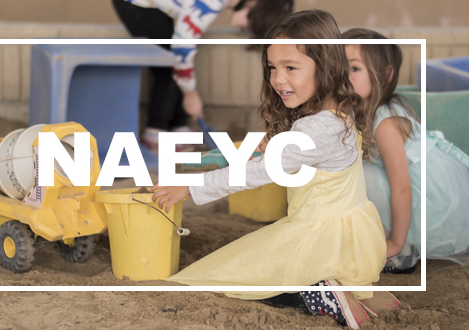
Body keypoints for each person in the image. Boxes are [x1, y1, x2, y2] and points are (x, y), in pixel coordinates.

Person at [152, 10, 390, 329]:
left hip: (318, 238)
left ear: (328, 66)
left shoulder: (312, 132)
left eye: (291, 68)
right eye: (273, 68)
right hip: (349, 235)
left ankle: (321, 294)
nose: (278, 79)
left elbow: (254, 174)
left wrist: (189, 188)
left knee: (215, 277)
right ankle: (349, 289)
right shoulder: (339, 112)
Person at [343, 28, 469, 273]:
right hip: (412, 185)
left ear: (385, 75)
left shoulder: (386, 124)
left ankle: (403, 248)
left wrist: (395, 243)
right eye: (340, 68)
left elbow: (401, 189)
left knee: (363, 176)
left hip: (430, 196)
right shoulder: (357, 106)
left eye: (355, 69)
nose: (344, 77)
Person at [111, 0, 293, 152]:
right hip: (137, 4)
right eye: (254, 26)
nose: (247, 30)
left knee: (177, 66)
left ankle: (178, 128)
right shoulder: (211, 1)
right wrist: (191, 95)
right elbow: (181, 48)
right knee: (171, 63)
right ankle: (155, 133)